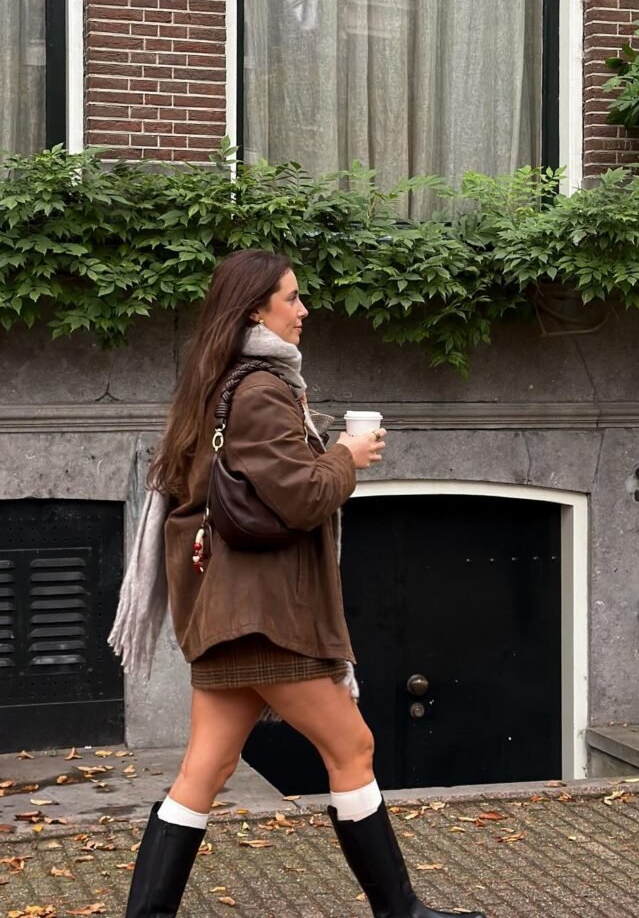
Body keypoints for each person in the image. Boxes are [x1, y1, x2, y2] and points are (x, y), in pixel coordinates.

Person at [120, 249, 486, 918]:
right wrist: (346, 455)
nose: (304, 310)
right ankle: (400, 911)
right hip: (265, 616)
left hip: (225, 615)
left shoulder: (214, 384)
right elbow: (303, 498)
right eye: (291, 297)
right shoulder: (260, 391)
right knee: (352, 746)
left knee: (205, 769)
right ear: (253, 311)